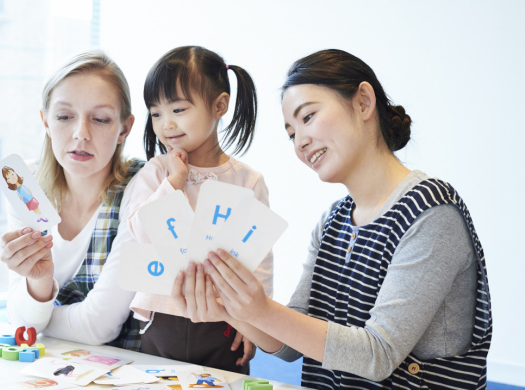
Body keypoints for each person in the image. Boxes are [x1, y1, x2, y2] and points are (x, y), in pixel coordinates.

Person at [172, 49, 492, 388]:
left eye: (307, 117)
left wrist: (261, 308)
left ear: (364, 102)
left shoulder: (432, 213)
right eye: (291, 134)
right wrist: (227, 307)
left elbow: (377, 355)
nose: (301, 142)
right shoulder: (333, 221)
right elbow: (289, 345)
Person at [126, 45, 274, 374]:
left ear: (220, 105)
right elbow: (141, 232)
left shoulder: (247, 181)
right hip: (162, 317)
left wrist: (256, 319)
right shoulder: (155, 173)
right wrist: (174, 183)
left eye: (178, 109)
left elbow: (259, 259)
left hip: (223, 320)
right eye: (156, 113)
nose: (166, 124)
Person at [1, 50, 145, 350]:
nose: (81, 133)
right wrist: (39, 283)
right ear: (45, 121)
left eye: (101, 119)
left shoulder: (142, 188)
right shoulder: (22, 182)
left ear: (125, 128)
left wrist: (38, 321)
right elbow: (21, 323)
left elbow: (97, 327)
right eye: (64, 117)